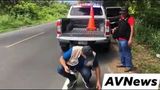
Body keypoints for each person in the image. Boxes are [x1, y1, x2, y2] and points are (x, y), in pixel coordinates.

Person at [112, 7, 135, 72]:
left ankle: (128, 66)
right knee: (121, 51)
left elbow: (132, 29)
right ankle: (123, 63)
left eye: (123, 13)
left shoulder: (130, 19)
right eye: (121, 13)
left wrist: (130, 39)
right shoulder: (121, 18)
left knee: (127, 52)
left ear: (127, 12)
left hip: (126, 39)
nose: (122, 14)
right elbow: (120, 26)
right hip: (120, 38)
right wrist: (115, 28)